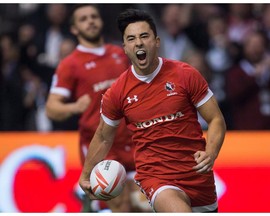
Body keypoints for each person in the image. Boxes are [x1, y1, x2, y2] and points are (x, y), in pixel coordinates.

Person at [79, 8, 226, 213]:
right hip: (157, 178)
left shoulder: (185, 74)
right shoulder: (117, 92)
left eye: (144, 36)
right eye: (131, 38)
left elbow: (216, 119)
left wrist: (211, 152)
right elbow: (103, 137)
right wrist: (86, 175)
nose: (138, 42)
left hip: (198, 177)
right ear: (125, 47)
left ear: (156, 42)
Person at [45, 4, 148, 212]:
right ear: (74, 29)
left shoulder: (119, 53)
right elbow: (51, 108)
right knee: (122, 205)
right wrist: (75, 107)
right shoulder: (70, 64)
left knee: (144, 206)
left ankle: (90, 207)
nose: (90, 21)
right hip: (101, 146)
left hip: (132, 141)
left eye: (94, 16)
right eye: (83, 19)